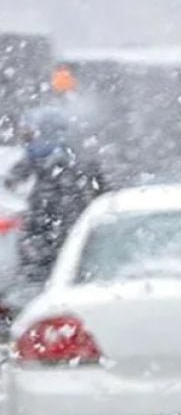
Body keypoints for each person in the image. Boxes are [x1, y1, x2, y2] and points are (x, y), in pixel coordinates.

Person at [5, 106, 109, 284]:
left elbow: (14, 179)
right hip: (72, 217)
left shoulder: (38, 153)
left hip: (44, 217)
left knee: (39, 265)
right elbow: (100, 186)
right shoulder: (75, 153)